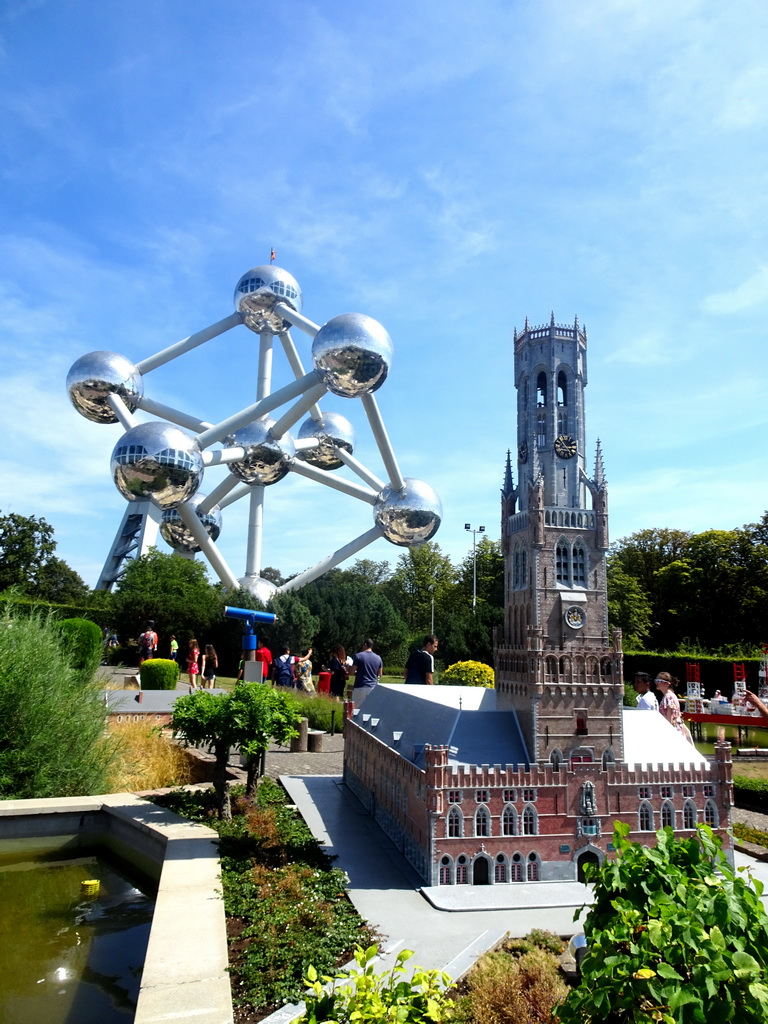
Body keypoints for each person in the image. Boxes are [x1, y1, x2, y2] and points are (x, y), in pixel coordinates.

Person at [655, 671, 694, 744]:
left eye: (659, 681)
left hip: (673, 730)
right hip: (677, 728)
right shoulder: (671, 695)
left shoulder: (668, 697)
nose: (657, 683)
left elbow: (670, 716)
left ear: (667, 683)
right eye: (656, 681)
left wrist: (668, 733)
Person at [351, 639, 383, 706]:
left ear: (365, 644)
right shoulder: (378, 658)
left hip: (360, 686)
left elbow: (351, 671)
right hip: (372, 687)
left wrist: (348, 668)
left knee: (356, 710)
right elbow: (380, 674)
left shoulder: (358, 656)